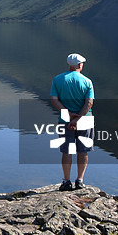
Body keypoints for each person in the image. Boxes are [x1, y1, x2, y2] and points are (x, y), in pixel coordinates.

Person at [50, 53, 94, 191]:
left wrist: (68, 115)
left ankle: (66, 181)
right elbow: (89, 103)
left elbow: (54, 100)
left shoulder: (58, 79)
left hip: (65, 120)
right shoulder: (87, 81)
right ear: (80, 65)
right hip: (85, 119)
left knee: (67, 151)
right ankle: (79, 181)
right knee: (83, 151)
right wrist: (78, 118)